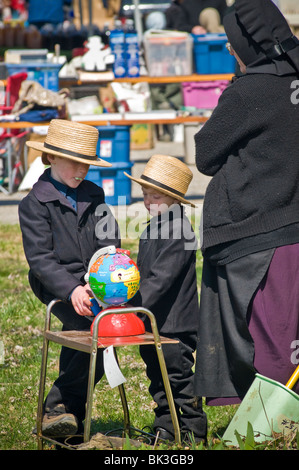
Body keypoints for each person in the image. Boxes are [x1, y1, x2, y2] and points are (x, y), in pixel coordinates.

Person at [194, 0, 299, 407]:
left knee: (265, 340)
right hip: (290, 225)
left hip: (253, 233)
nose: (227, 49)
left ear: (246, 45)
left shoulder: (249, 92)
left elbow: (205, 154)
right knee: (286, 333)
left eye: (229, 42)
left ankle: (275, 427)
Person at [19, 119, 121, 437]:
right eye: (73, 163)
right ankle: (57, 407)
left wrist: (103, 269)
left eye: (86, 165)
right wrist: (72, 289)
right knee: (85, 326)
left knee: (111, 335)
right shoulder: (33, 204)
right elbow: (40, 260)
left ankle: (67, 416)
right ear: (50, 158)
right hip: (54, 281)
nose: (80, 171)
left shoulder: (94, 193)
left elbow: (109, 238)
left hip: (94, 278)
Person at [124, 155, 207, 444]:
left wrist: (133, 307)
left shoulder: (180, 230)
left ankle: (193, 429)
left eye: (155, 195)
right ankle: (166, 426)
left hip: (174, 324)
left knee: (177, 377)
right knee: (157, 378)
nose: (148, 201)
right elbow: (142, 272)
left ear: (173, 199)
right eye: (145, 195)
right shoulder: (153, 226)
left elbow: (160, 279)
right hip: (153, 321)